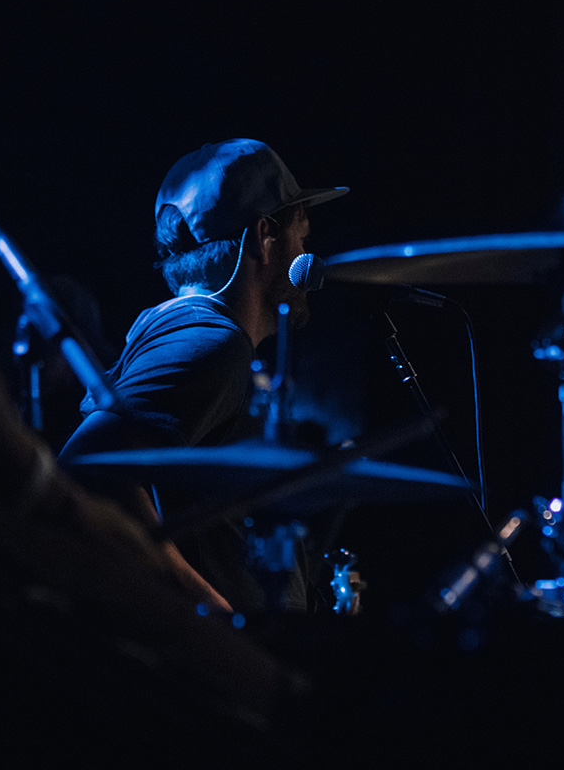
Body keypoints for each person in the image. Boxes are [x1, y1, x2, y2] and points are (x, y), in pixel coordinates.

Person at [58, 138, 349, 614]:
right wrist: (212, 613)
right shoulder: (211, 342)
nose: (306, 253)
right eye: (301, 237)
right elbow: (89, 467)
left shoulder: (195, 333)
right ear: (264, 236)